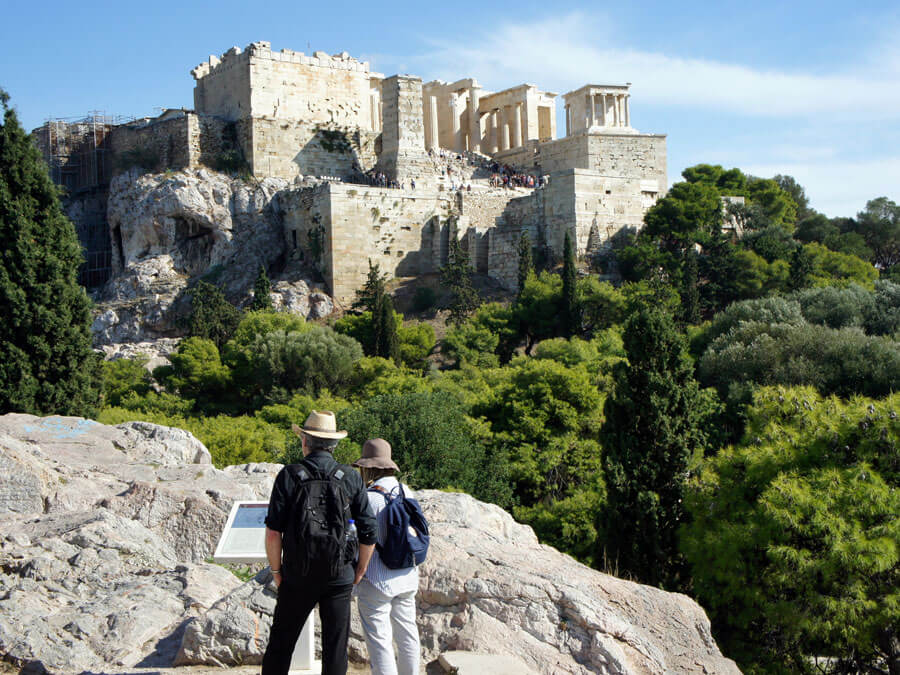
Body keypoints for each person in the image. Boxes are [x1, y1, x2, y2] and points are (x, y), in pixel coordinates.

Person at [262, 411, 377, 675]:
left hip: (297, 574)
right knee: (335, 648)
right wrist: (359, 569)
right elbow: (369, 530)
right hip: (339, 575)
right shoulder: (350, 477)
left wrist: (277, 571)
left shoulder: (289, 475)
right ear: (333, 444)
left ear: (305, 441)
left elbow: (273, 532)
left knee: (281, 644)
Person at [352, 439, 421, 675]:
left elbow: (359, 538)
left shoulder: (368, 498)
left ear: (368, 468)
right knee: (408, 634)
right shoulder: (406, 491)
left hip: (376, 579)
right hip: (407, 575)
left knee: (380, 641)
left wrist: (358, 570)